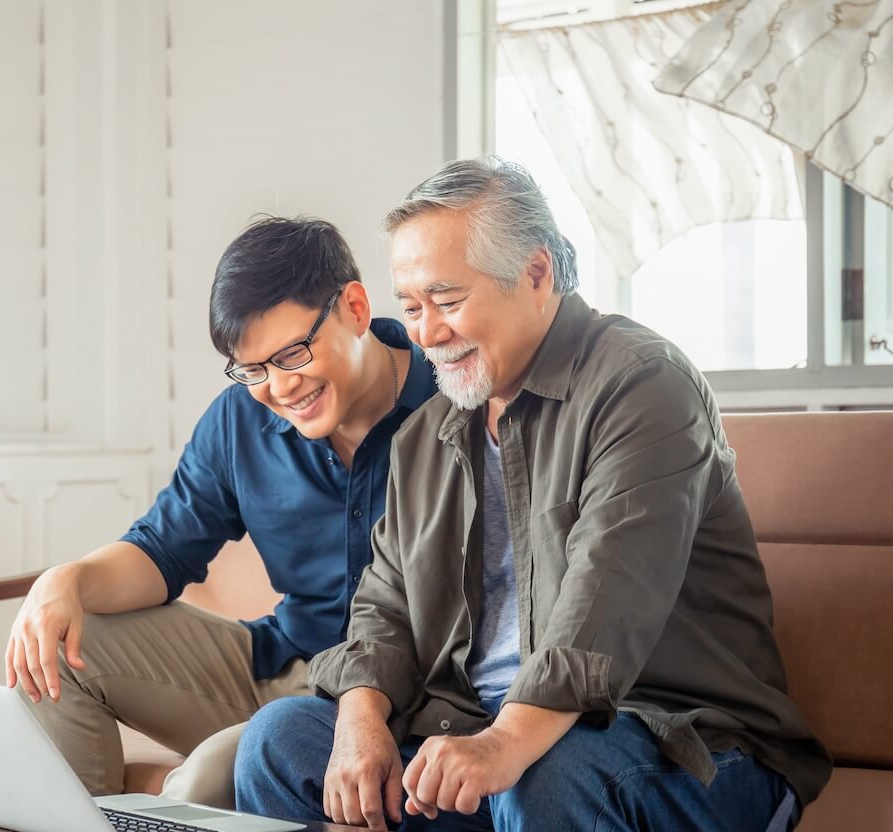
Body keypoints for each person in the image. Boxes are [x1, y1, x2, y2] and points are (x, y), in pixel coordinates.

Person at [235, 157, 831, 831]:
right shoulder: (425, 434)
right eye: (411, 308)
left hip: (677, 740)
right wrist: (360, 713)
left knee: (547, 775)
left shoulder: (642, 385)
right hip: (485, 736)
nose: (427, 332)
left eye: (449, 301)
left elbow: (607, 599)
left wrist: (502, 746)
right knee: (280, 741)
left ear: (537, 274)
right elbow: (386, 604)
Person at [3, 216, 437, 808]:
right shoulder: (240, 422)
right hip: (283, 665)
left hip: (406, 697)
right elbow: (161, 552)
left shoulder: (456, 400)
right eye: (253, 370)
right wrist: (66, 581)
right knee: (56, 641)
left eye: (292, 354)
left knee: (201, 782)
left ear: (355, 308)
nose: (280, 389)